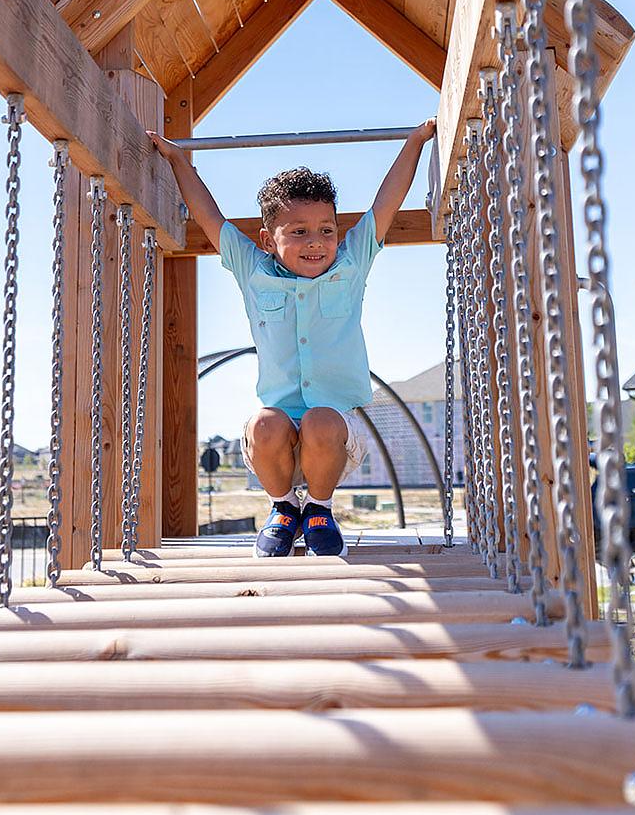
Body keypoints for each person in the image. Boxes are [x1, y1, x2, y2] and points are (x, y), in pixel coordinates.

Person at [147, 119, 437, 558]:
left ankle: (319, 510)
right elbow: (209, 216)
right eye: (298, 231)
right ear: (268, 240)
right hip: (276, 444)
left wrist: (415, 142)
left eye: (326, 229)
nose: (316, 242)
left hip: (336, 433)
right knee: (264, 421)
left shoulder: (351, 263)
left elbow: (387, 201)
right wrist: (175, 159)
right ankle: (283, 509)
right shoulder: (253, 271)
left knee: (321, 418)